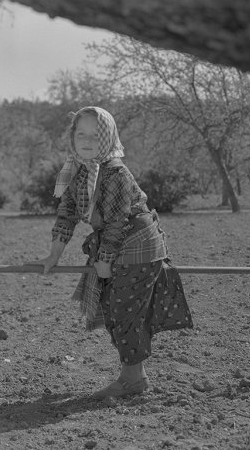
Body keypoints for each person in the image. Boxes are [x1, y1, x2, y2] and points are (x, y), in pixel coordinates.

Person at [29, 106, 193, 399]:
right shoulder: (77, 170)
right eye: (81, 133)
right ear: (72, 137)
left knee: (123, 311)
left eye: (96, 134)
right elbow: (67, 214)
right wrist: (53, 255)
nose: (88, 140)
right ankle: (135, 376)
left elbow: (117, 220)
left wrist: (104, 260)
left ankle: (132, 381)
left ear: (108, 137)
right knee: (110, 307)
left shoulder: (115, 171)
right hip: (116, 245)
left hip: (138, 245)